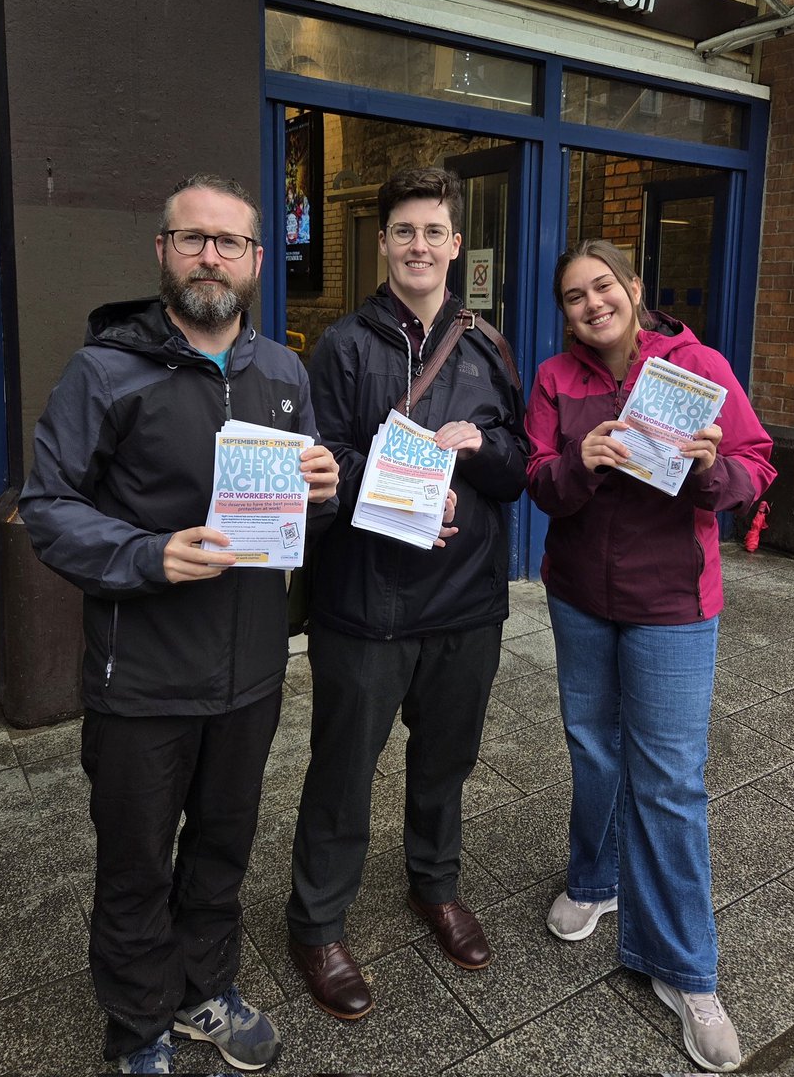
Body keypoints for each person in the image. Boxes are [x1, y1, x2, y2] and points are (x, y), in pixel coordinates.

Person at [19, 174, 339, 1075]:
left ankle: (205, 989)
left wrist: (325, 493)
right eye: (192, 238)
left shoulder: (282, 371)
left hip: (249, 674)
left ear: (254, 262)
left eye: (229, 242)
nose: (211, 255)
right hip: (142, 678)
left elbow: (299, 524)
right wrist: (148, 556)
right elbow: (48, 508)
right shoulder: (104, 372)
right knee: (134, 867)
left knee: (223, 851)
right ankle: (136, 1027)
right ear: (160, 251)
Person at [525, 240, 776, 1074]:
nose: (591, 304)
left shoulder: (694, 363)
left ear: (632, 289)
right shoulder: (556, 379)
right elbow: (537, 478)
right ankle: (594, 881)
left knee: (669, 778)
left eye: (602, 287)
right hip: (579, 598)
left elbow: (754, 461)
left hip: (672, 602)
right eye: (572, 296)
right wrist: (575, 463)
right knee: (593, 749)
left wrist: (709, 472)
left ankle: (686, 972)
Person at [285, 166, 528, 1019]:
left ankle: (435, 885)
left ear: (456, 245)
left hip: (466, 603)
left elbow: (518, 463)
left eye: (433, 232)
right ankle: (316, 923)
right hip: (366, 605)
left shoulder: (488, 345)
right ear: (382, 244)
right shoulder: (343, 346)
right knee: (344, 773)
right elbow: (323, 460)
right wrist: (410, 481)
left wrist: (477, 453)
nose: (418, 246)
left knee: (445, 765)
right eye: (402, 232)